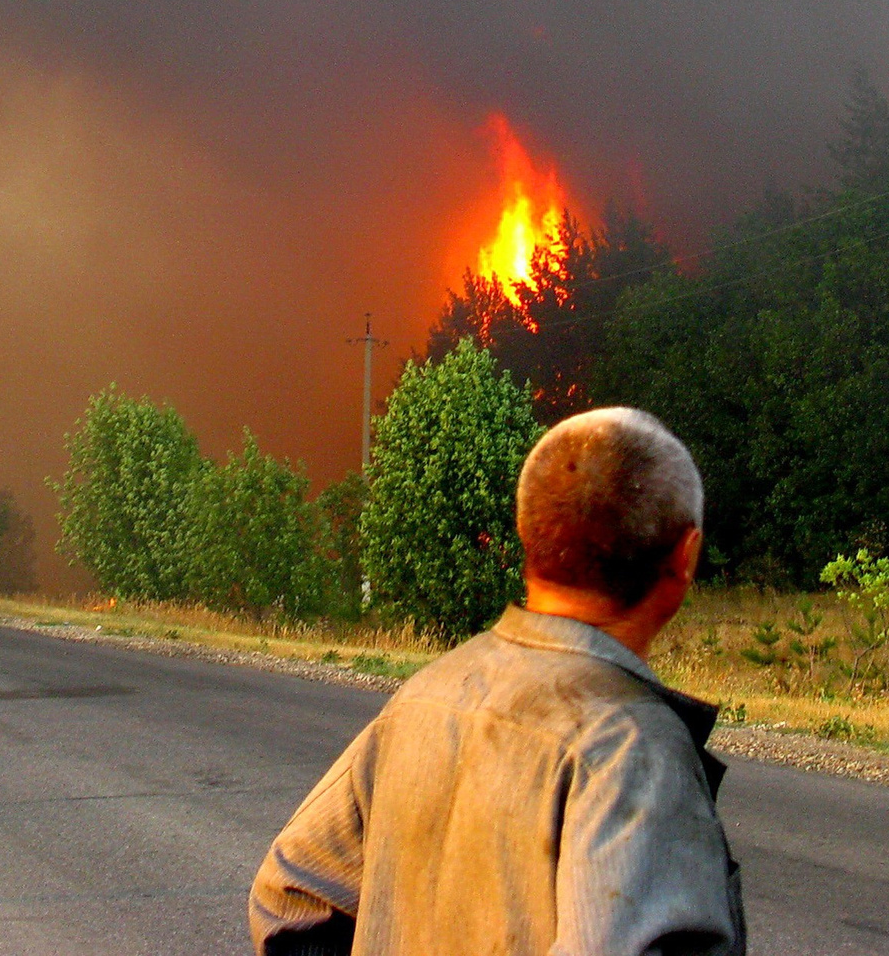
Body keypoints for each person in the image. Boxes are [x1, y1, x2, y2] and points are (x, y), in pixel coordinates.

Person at [249, 406, 743, 955]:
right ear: (685, 557)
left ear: (528, 534)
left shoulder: (426, 694)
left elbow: (290, 893)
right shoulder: (633, 748)